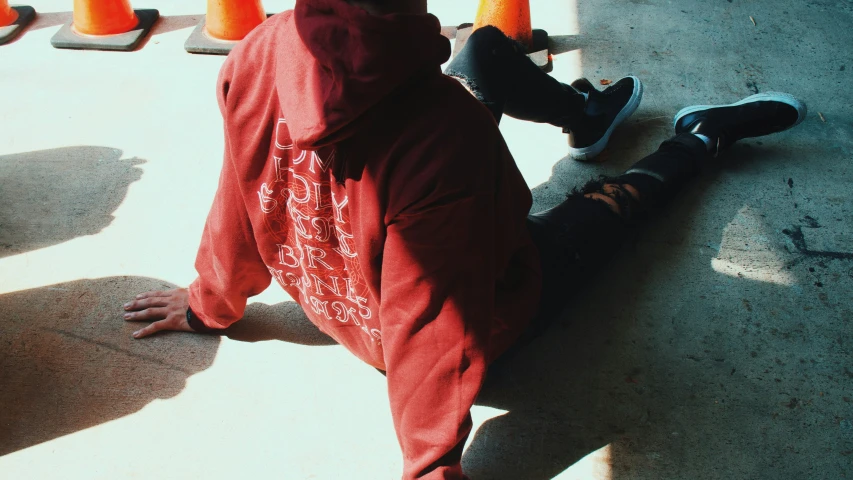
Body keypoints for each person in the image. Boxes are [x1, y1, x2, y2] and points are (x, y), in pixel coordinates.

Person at [121, 0, 806, 478]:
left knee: (478, 63)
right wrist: (430, 467)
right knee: (602, 213)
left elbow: (241, 190)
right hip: (449, 318)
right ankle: (696, 139)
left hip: (336, 291)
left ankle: (587, 117)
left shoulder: (263, 46)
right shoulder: (447, 132)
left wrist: (209, 301)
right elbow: (431, 329)